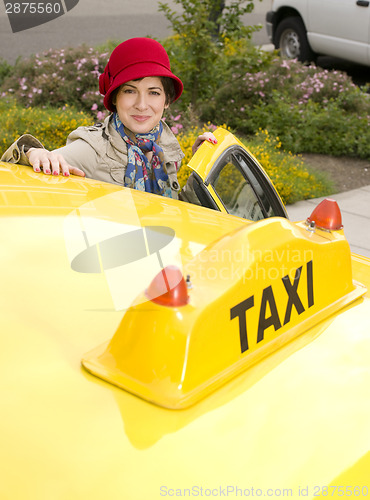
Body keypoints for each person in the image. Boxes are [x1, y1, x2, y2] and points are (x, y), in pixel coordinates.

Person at [1, 37, 216, 199]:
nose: (141, 105)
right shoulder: (92, 149)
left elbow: (177, 213)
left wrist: (202, 171)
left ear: (166, 100)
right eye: (130, 91)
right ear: (114, 98)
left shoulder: (163, 142)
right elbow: (17, 181)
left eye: (153, 92)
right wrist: (32, 153)